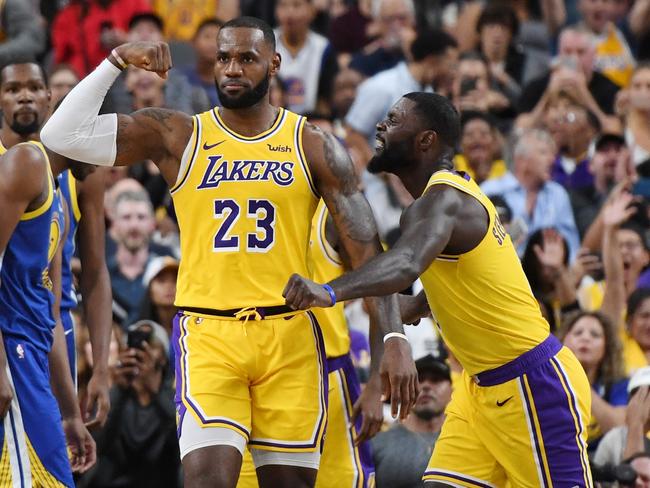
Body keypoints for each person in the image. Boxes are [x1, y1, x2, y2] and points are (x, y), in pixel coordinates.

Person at [41, 16, 417, 488]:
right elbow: (61, 136)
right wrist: (116, 61)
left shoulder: (313, 145)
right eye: (223, 58)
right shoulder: (178, 134)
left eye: (246, 58)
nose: (232, 69)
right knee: (206, 481)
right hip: (209, 332)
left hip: (289, 337)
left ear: (274, 64)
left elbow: (368, 256)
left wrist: (394, 340)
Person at [283, 92, 593, 486]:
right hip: (478, 389)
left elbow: (405, 263)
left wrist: (329, 292)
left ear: (426, 140)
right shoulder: (447, 200)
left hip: (532, 383)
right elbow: (450, 287)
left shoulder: (442, 200)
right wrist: (403, 317)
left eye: (394, 119)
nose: (380, 125)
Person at [0, 61, 112, 426]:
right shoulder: (17, 167)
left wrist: (100, 367)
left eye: (34, 87)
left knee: (57, 453)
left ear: (50, 98)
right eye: (13, 89)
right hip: (11, 323)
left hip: (53, 324)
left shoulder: (80, 171)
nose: (25, 97)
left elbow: (94, 273)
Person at [0, 135, 97, 482]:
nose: (106, 159)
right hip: (13, 356)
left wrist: (70, 412)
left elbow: (50, 312)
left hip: (35, 359)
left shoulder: (59, 200)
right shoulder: (21, 165)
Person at [481, 128, 581, 260]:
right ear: (522, 160)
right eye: (543, 153)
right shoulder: (491, 190)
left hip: (548, 275)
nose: (552, 160)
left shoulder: (558, 194)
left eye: (553, 155)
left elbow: (571, 245)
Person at [372, 354, 452, 488]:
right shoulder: (377, 444)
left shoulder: (469, 441)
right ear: (403, 389)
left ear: (452, 390)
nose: (426, 386)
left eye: (436, 380)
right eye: (418, 380)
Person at [558, 311, 628, 453]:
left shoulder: (618, 384)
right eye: (578, 333)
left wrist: (581, 382)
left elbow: (619, 429)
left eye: (595, 335)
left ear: (606, 348)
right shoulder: (548, 380)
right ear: (564, 340)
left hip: (603, 465)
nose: (585, 338)